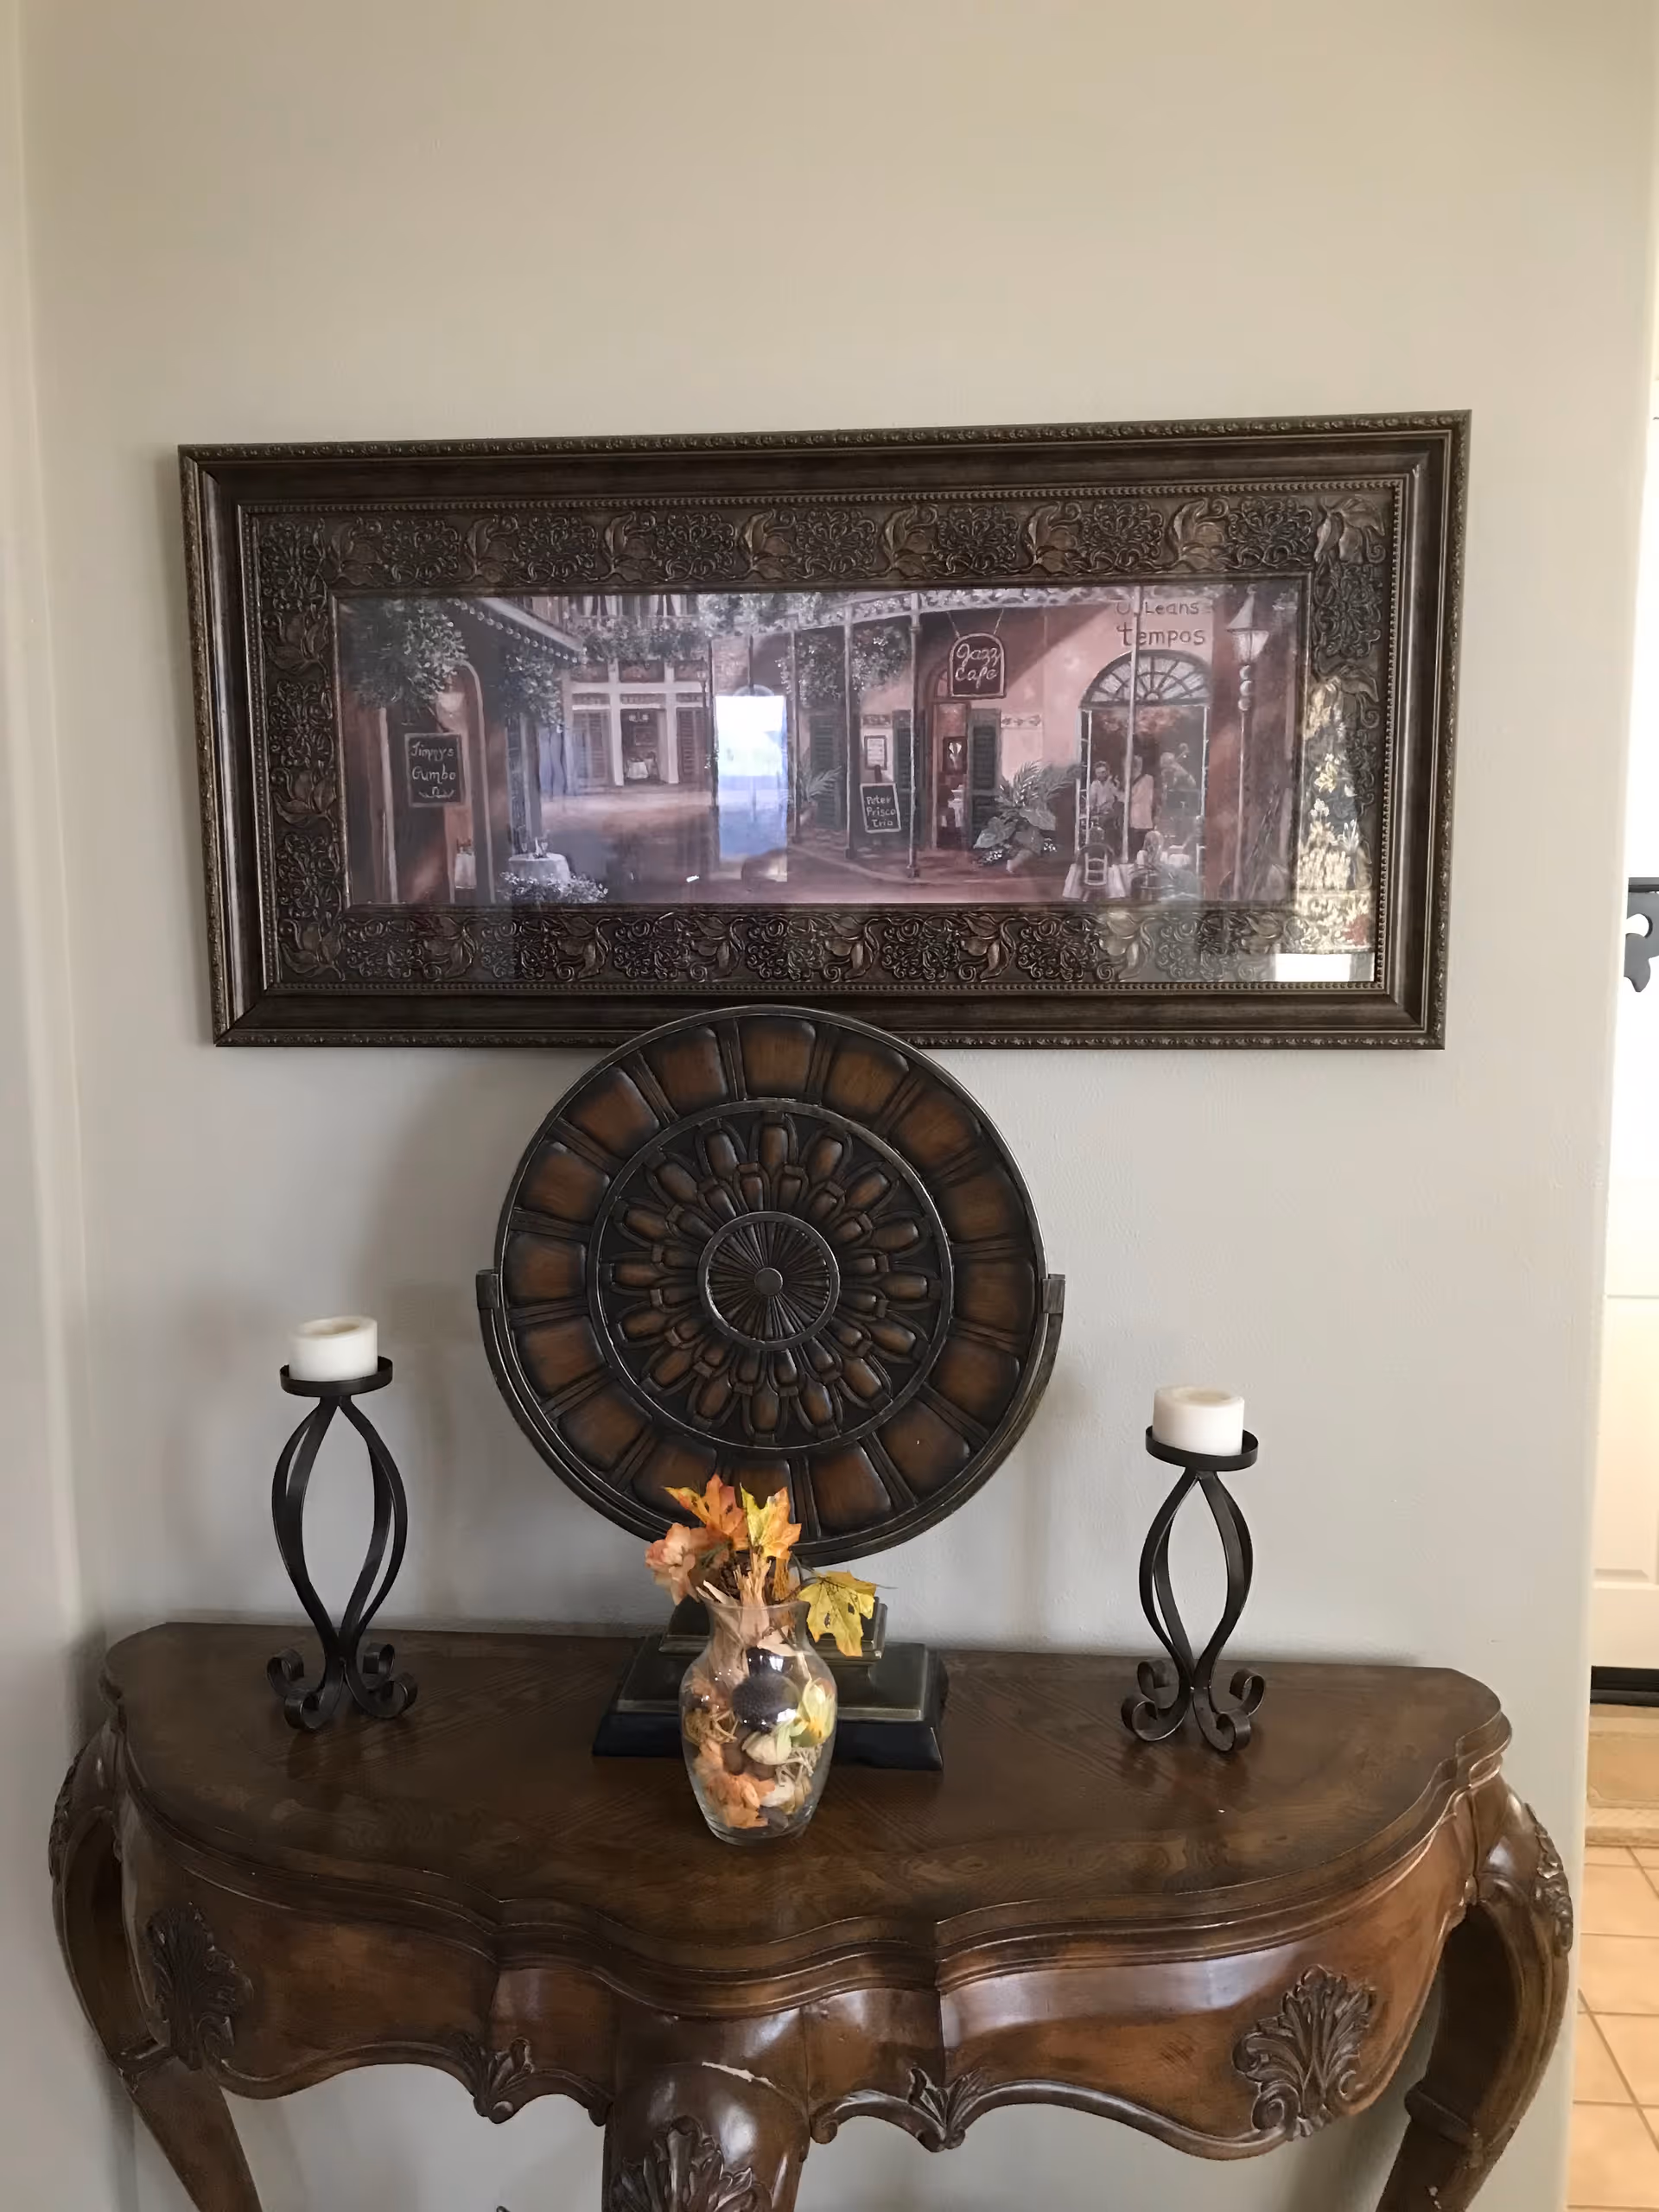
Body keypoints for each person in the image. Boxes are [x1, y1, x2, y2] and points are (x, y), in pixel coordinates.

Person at [1128, 753, 1157, 859]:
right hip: (1135, 819)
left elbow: (1135, 798)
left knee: (1143, 847)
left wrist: (1121, 794)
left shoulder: (1147, 779)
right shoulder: (1132, 781)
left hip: (1143, 819)